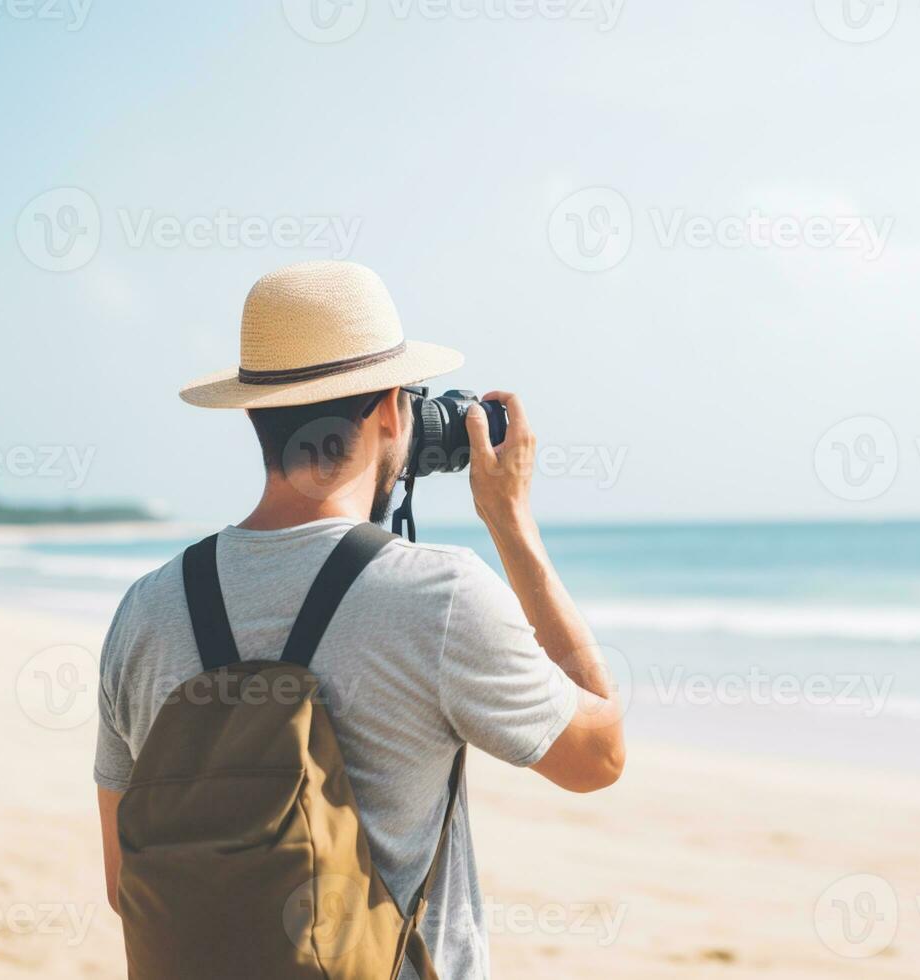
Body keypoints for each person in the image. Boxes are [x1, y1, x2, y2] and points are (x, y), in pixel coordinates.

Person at [93, 261, 625, 979]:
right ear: (387, 412)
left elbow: (126, 887)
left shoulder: (145, 611)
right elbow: (598, 756)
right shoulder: (437, 596)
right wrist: (511, 522)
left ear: (255, 414)